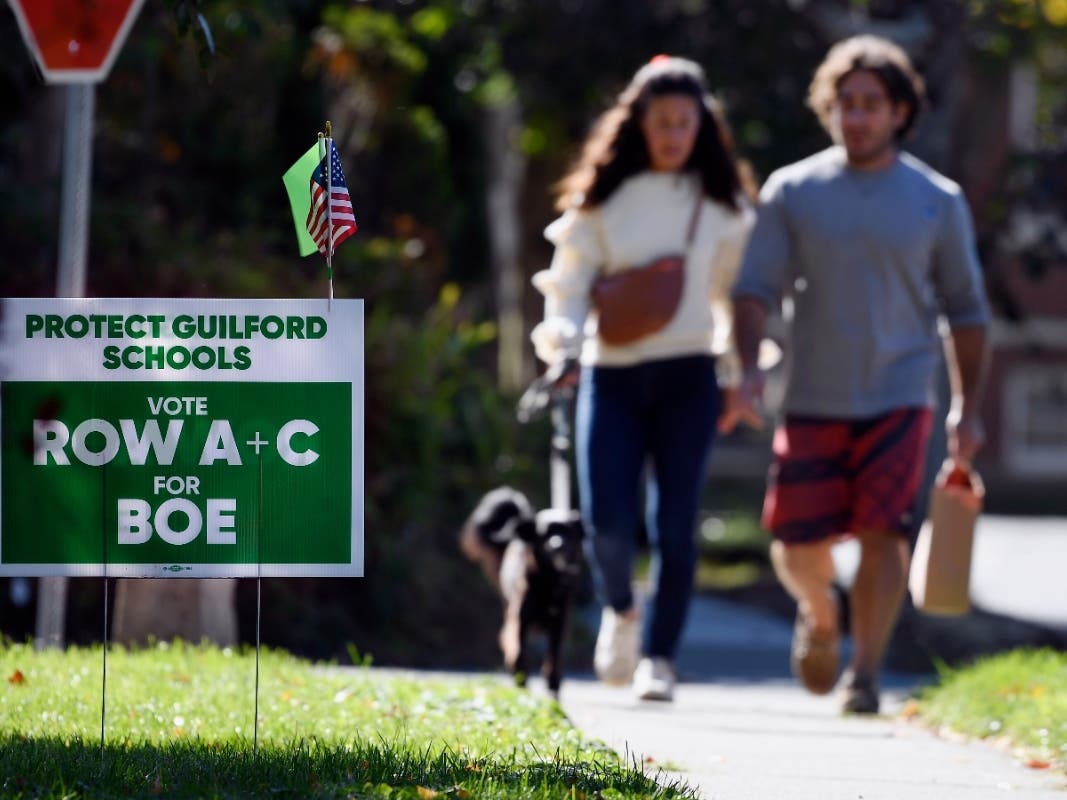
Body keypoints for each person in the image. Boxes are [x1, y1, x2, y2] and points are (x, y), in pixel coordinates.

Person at [730, 35, 991, 714]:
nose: (855, 118)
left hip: (901, 393)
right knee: (794, 540)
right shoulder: (793, 191)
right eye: (844, 104)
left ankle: (865, 674)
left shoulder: (937, 199)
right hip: (812, 394)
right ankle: (820, 612)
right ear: (829, 109)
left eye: (870, 105)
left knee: (885, 534)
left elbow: (965, 309)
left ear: (899, 111)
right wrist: (749, 369)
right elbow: (752, 288)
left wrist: (967, 406)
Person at [530, 55, 755, 701]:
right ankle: (620, 610)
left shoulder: (721, 209)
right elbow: (567, 285)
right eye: (662, 121)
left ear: (701, 126)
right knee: (605, 518)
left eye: (685, 122)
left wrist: (740, 374)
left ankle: (660, 657)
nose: (673, 134)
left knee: (675, 522)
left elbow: (735, 298)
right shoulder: (601, 202)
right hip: (612, 373)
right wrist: (564, 342)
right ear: (639, 124)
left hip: (690, 373)